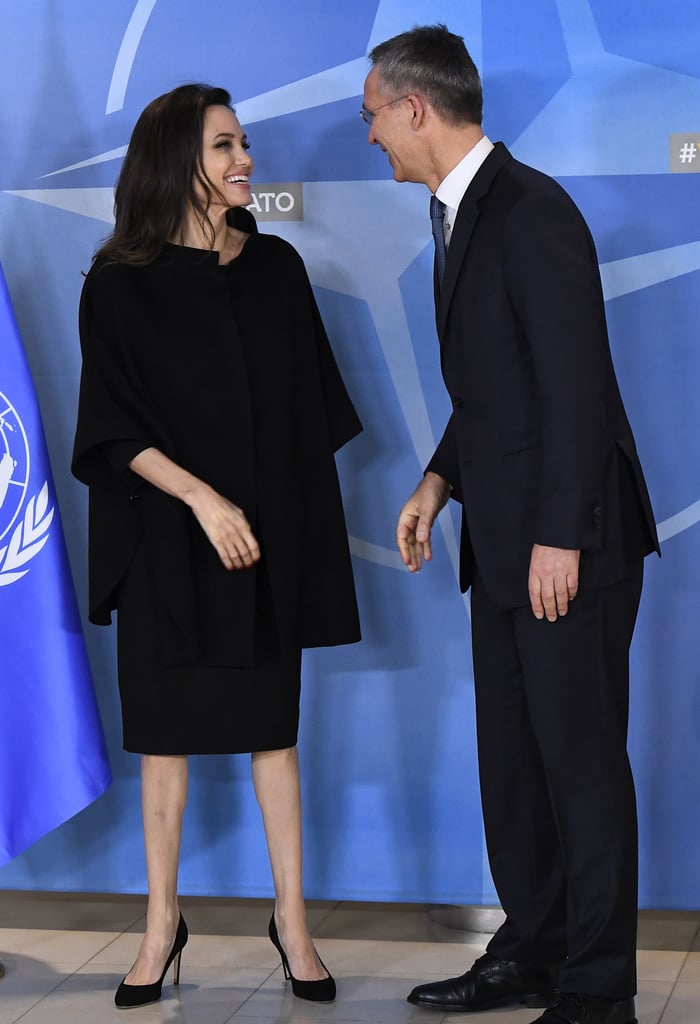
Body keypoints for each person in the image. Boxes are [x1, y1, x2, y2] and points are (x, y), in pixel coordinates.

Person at [363, 25, 659, 1024]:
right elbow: (502, 384)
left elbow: (576, 386)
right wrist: (438, 480)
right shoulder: (461, 215)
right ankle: (531, 951)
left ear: (414, 108)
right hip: (501, 541)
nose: (369, 138)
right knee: (516, 766)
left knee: (576, 763)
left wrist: (561, 535)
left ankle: (595, 989)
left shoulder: (531, 212)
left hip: (563, 543)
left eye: (371, 116)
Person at [72, 83, 361, 1009]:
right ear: (176, 163)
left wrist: (274, 527)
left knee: (274, 740)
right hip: (166, 543)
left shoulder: (276, 268)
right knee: (166, 747)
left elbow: (310, 417)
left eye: (244, 143)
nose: (245, 159)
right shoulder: (117, 282)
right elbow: (110, 431)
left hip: (263, 547)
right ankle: (161, 927)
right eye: (225, 145)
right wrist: (202, 499)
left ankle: (294, 925)